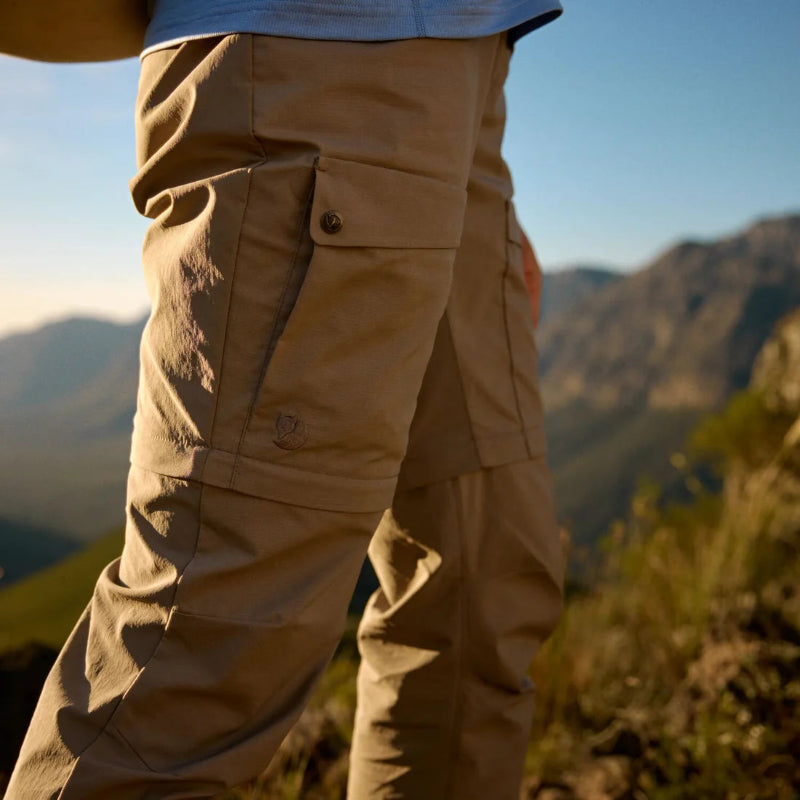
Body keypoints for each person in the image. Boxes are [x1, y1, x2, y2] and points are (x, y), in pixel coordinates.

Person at [6, 2, 565, 798]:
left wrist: (462, 188)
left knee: (482, 589)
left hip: (463, 68)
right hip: (320, 50)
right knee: (206, 647)